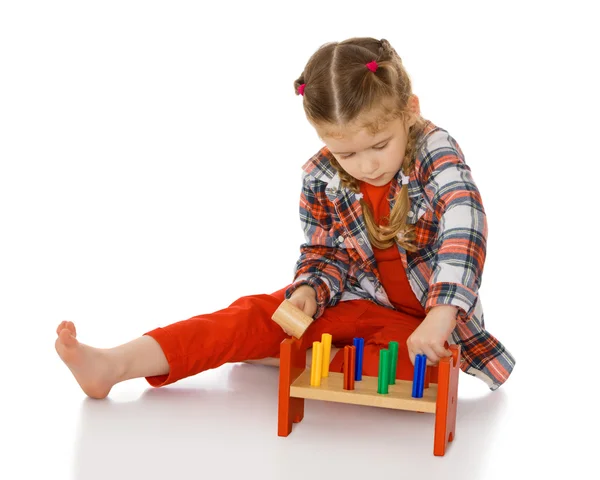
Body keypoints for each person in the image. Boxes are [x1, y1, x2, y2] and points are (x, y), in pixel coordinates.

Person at [55, 37, 515, 399]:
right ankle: (115, 364)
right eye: (347, 153)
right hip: (353, 300)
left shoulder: (435, 150)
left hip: (419, 323)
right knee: (251, 316)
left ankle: (291, 359)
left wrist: (440, 314)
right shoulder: (321, 175)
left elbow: (464, 221)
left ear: (410, 112)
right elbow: (324, 251)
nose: (367, 165)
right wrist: (310, 291)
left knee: (418, 368)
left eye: (379, 146)